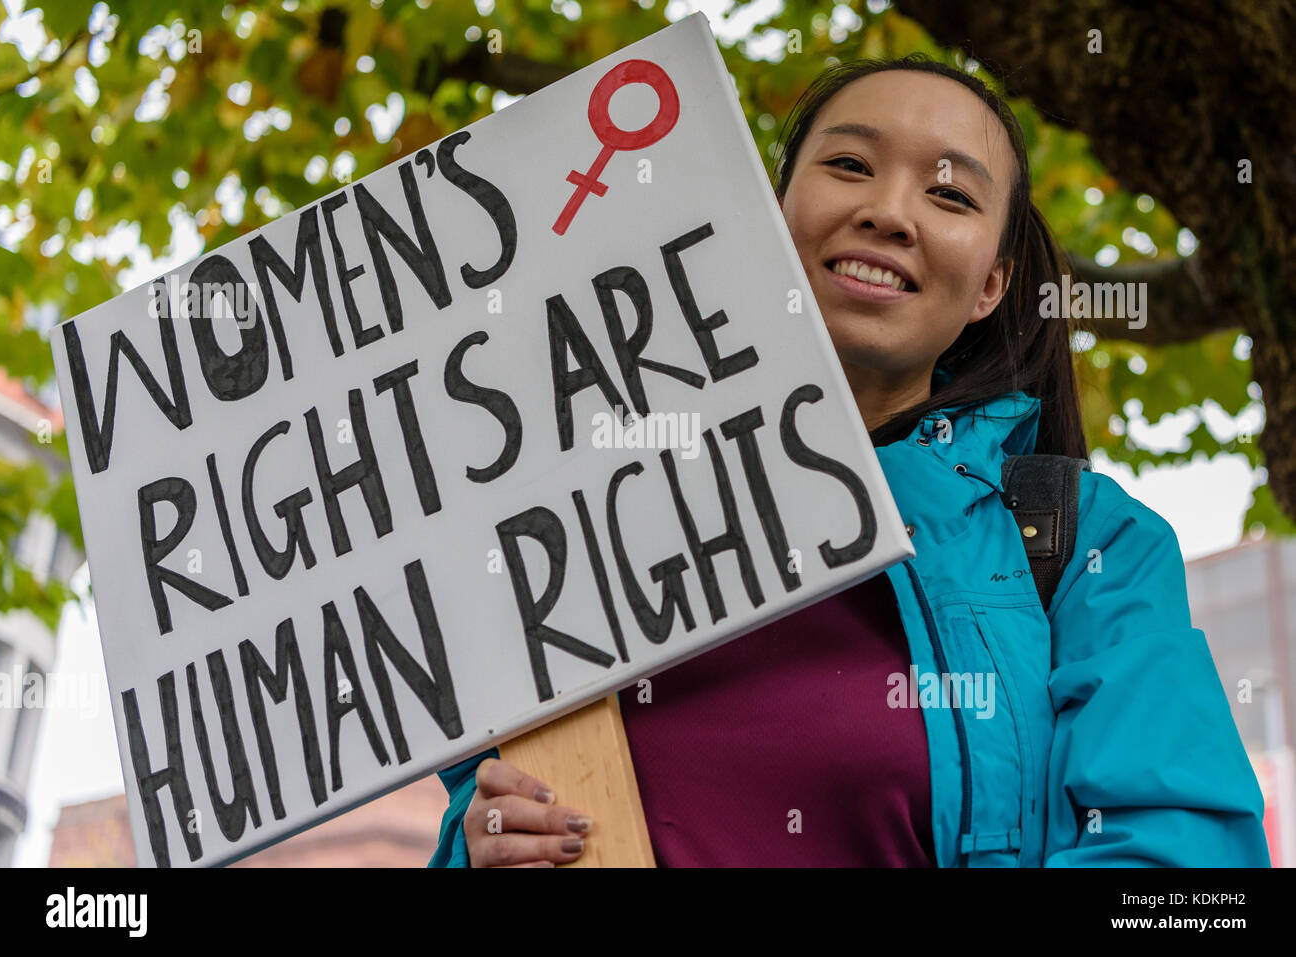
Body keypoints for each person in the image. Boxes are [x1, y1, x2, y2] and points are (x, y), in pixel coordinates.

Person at [427, 55, 1270, 867]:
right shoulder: (563, 529)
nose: (890, 212)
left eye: (948, 193)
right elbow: (503, 808)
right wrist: (481, 847)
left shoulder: (1094, 548)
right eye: (849, 164)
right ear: (766, 214)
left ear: (991, 286)